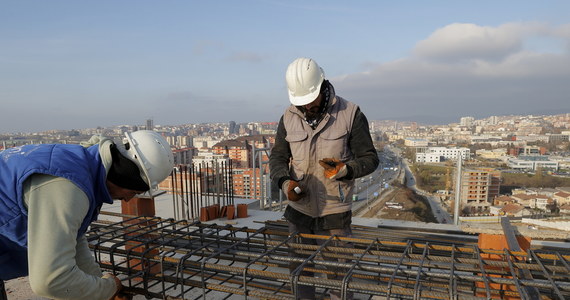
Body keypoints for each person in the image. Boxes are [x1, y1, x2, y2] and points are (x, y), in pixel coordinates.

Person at [0, 130, 174, 300]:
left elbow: (72, 239)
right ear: (125, 175)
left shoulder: (83, 166)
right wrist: (107, 288)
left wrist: (101, 284)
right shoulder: (66, 186)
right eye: (134, 191)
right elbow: (51, 280)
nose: (128, 200)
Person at [269, 57, 379, 299]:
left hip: (334, 211)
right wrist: (286, 183)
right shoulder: (288, 117)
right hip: (299, 210)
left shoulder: (350, 114)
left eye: (310, 100)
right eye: (302, 102)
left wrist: (345, 170)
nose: (307, 107)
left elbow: (370, 158)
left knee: (338, 274)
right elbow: (277, 159)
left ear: (321, 86)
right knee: (300, 273)